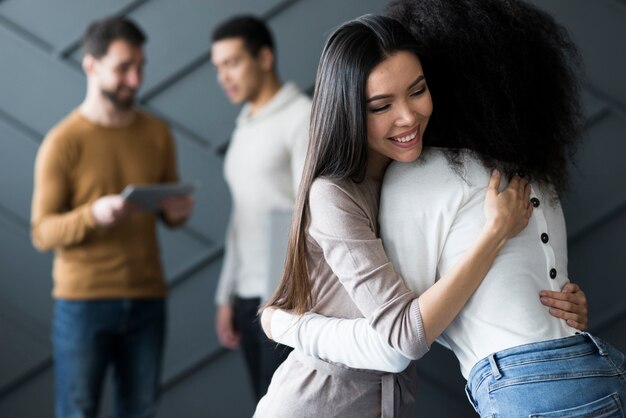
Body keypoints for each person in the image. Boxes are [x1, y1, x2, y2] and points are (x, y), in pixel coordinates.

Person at [265, 2, 626, 417]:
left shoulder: (422, 176)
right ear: (347, 108)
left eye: (418, 90)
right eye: (381, 106)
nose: (407, 117)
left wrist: (551, 305)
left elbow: (418, 321)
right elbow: (402, 339)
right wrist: (288, 326)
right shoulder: (336, 194)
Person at [30, 16, 193, 418]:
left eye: (140, 66)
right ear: (91, 65)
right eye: (123, 67)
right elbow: (42, 232)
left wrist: (176, 212)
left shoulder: (157, 132)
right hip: (83, 303)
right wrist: (93, 215)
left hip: (147, 297)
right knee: (77, 410)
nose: (135, 79)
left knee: (141, 410)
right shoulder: (62, 142)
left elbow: (170, 215)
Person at [210, 15, 311, 400]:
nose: (223, 76)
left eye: (232, 62)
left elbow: (310, 214)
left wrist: (286, 294)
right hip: (247, 298)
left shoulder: (300, 117)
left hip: (287, 297)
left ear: (265, 58)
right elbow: (242, 214)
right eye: (218, 67)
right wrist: (226, 296)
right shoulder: (244, 126)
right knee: (262, 403)